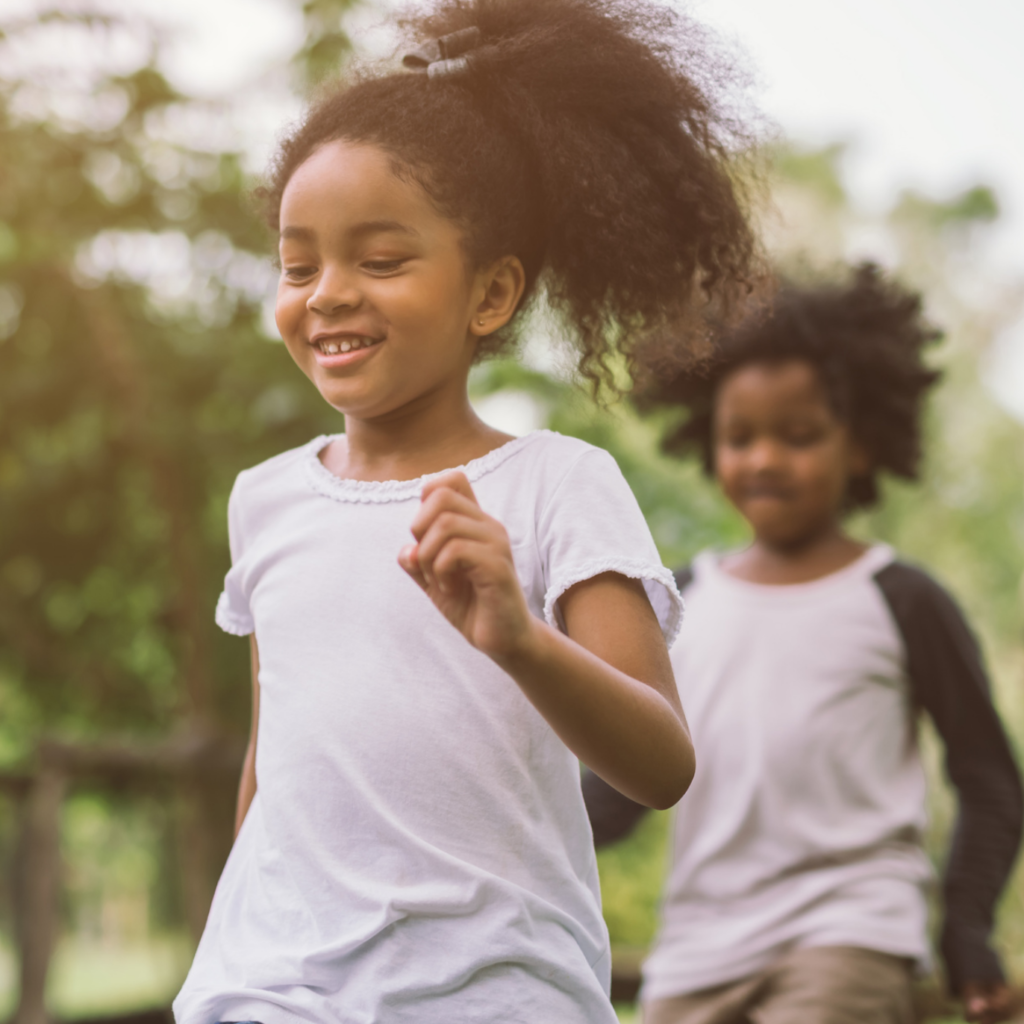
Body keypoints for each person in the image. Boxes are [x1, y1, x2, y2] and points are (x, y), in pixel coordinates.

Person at [172, 1, 761, 1021]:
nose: (325, 294)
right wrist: (228, 957)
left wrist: (520, 638)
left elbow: (662, 763)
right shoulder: (264, 500)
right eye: (298, 263)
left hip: (489, 994)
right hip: (269, 990)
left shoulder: (555, 485)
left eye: (381, 260)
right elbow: (274, 769)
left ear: (489, 294)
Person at [585, 264, 1023, 1024]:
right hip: (695, 951)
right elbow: (619, 794)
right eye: (740, 437)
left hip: (847, 937)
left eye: (799, 436)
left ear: (859, 446)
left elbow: (989, 780)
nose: (763, 460)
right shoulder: (678, 602)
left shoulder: (903, 599)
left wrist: (966, 931)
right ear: (707, 443)